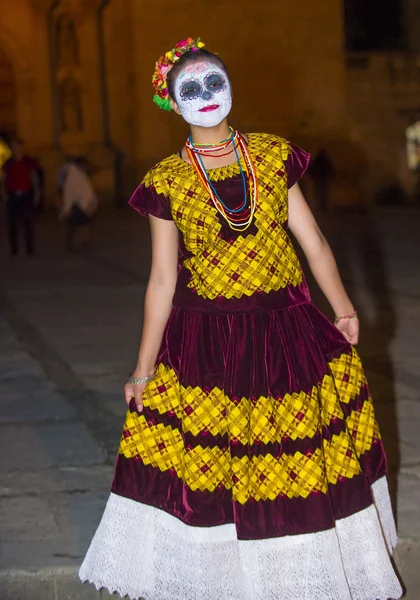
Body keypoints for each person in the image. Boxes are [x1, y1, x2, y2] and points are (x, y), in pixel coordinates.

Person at [79, 38, 402, 600]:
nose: (206, 96)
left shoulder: (273, 155)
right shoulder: (168, 181)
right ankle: (233, 583)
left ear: (231, 86)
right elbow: (161, 280)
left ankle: (300, 580)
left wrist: (343, 307)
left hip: (286, 329)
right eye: (191, 89)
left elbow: (313, 241)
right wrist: (142, 368)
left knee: (294, 465)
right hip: (207, 341)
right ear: (172, 103)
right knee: (222, 473)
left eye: (214, 82)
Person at [0, 138, 40, 256]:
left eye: (16, 146)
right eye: (13, 146)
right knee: (12, 223)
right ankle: (14, 249)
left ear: (21, 147)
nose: (15, 148)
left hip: (25, 194)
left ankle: (30, 249)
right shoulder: (8, 162)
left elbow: (33, 177)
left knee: (28, 223)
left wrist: (37, 192)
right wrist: (3, 193)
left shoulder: (28, 161)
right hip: (12, 195)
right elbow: (3, 179)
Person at [57, 157, 98, 251]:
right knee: (74, 226)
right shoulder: (72, 176)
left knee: (84, 224)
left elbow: (87, 190)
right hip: (75, 204)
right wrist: (67, 207)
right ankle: (71, 243)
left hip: (83, 204)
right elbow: (69, 192)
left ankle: (84, 242)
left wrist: (92, 200)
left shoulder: (82, 176)